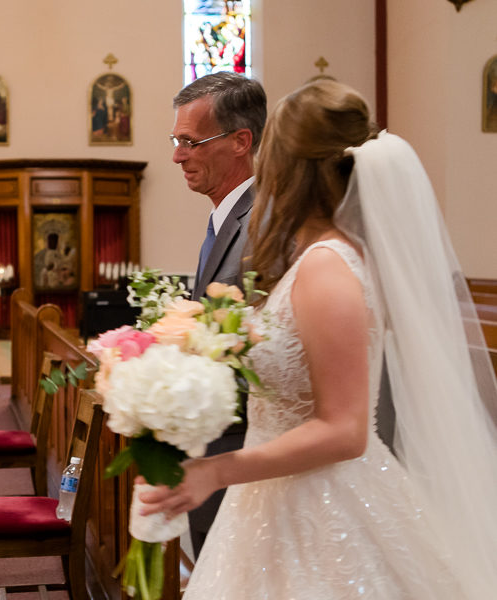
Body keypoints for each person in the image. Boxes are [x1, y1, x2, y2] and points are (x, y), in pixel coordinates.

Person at [142, 79, 497, 599]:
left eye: (274, 150)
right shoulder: (313, 258)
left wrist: (215, 469)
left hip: (324, 504)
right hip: (273, 496)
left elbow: (346, 430)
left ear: (293, 165)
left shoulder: (328, 267)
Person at [170, 71, 266, 560]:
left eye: (190, 141)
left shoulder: (263, 223)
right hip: (218, 441)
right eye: (176, 140)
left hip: (243, 449)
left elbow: (267, 349)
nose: (177, 155)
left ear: (240, 142)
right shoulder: (227, 216)